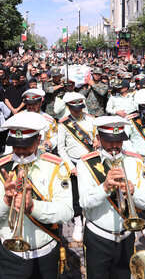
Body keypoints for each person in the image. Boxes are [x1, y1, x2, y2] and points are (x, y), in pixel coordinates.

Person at [0, 112, 73, 279]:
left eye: (25, 145)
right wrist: (6, 200)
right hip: (11, 256)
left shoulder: (55, 166)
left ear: (38, 140)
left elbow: (67, 212)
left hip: (46, 254)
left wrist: (33, 207)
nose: (20, 151)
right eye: (15, 145)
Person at [77, 116, 145, 279]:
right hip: (98, 237)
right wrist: (105, 187)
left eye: (119, 140)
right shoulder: (86, 163)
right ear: (98, 138)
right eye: (110, 140)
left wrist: (133, 191)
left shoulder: (135, 161)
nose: (115, 145)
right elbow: (83, 202)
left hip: (126, 236)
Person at [56, 92, 94, 242]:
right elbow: (60, 148)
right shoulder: (63, 124)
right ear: (68, 107)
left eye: (80, 108)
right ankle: (78, 222)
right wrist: (71, 166)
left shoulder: (92, 120)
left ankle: (89, 219)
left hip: (90, 162)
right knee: (76, 195)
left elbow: (97, 141)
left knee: (90, 192)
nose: (78, 111)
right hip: (73, 163)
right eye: (74, 109)